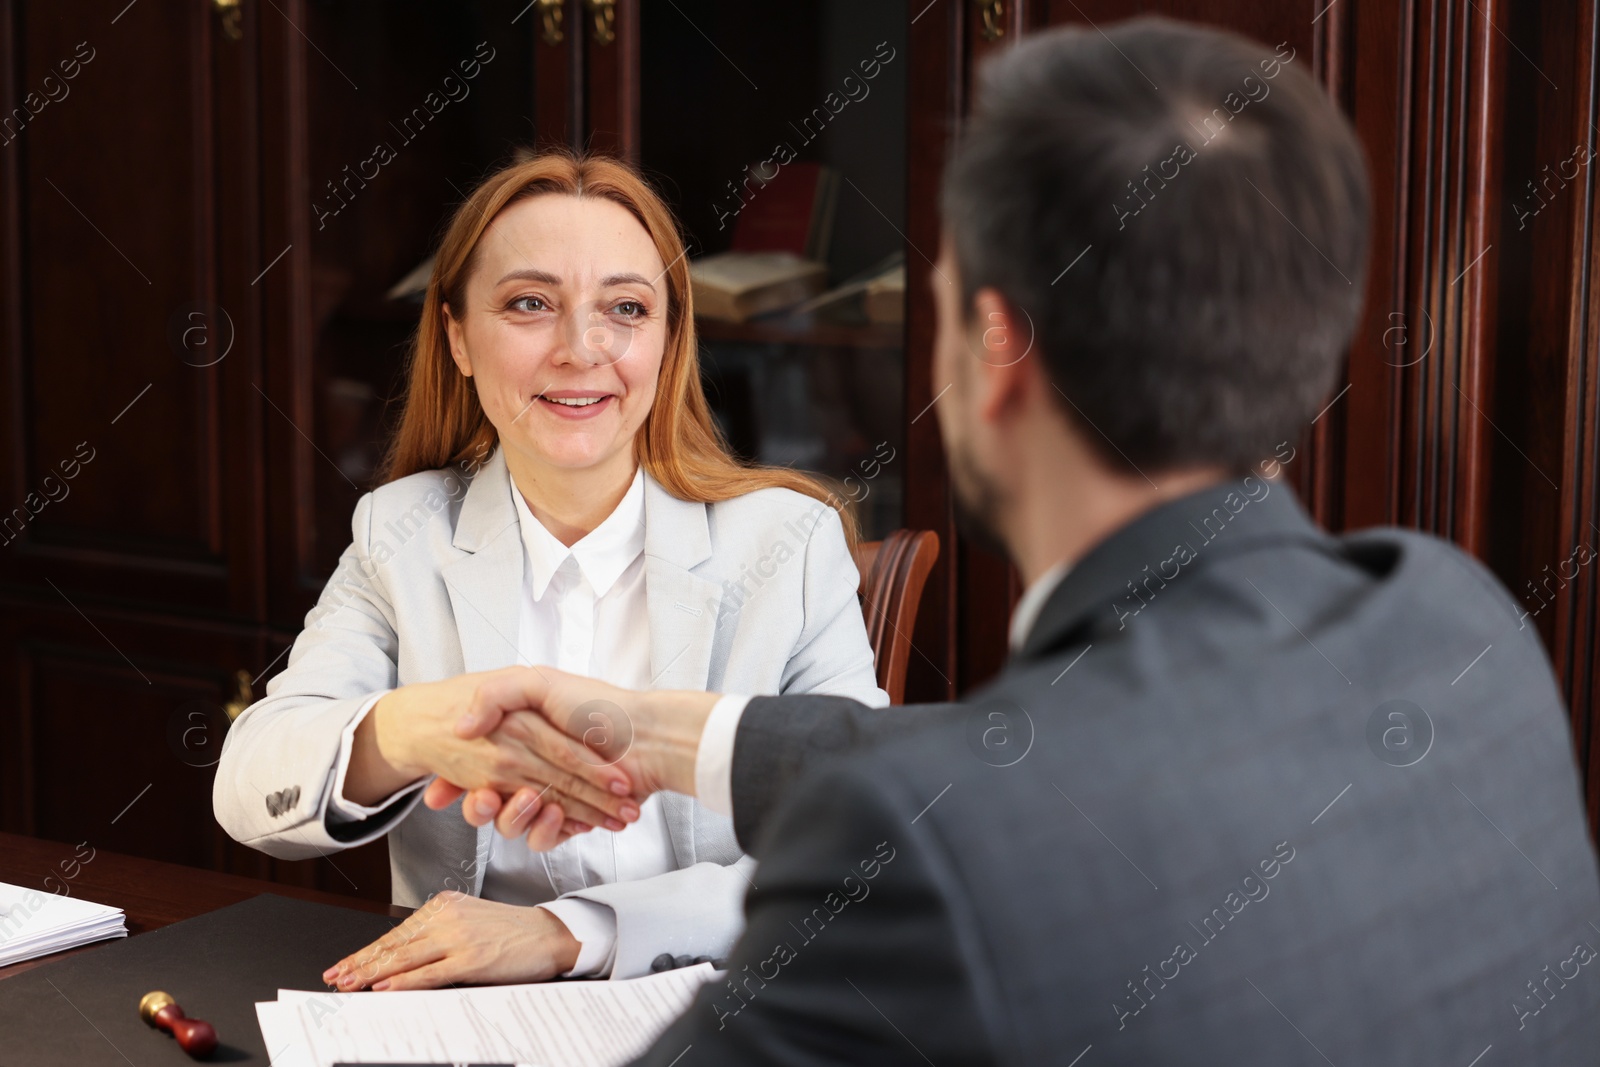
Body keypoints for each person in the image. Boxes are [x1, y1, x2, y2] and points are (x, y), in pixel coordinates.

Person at [421, 17, 1600, 1064]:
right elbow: (1059, 766)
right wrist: (655, 731)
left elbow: (992, 800)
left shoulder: (928, 863)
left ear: (992, 349)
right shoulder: (1457, 620)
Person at [211, 152, 889, 991]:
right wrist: (419, 727)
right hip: (467, 1024)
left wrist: (572, 932)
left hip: (718, 1013)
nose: (581, 348)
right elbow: (248, 786)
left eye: (626, 308)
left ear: (669, 339)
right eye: (531, 304)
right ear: (458, 336)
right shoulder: (403, 532)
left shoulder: (790, 544)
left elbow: (861, 846)